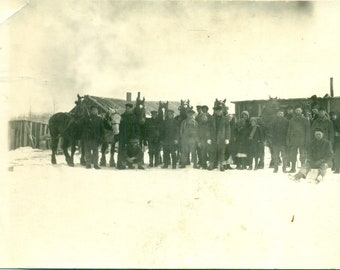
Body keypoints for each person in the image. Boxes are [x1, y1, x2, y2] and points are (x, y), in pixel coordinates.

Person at [286, 105, 310, 173]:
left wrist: (307, 141)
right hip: (294, 140)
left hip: (302, 140)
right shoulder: (292, 120)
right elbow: (289, 131)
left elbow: (308, 132)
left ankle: (302, 170)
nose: (298, 111)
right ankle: (293, 168)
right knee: (293, 155)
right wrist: (288, 139)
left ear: (301, 111)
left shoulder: (305, 120)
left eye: (299, 110)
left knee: (303, 155)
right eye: (296, 110)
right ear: (295, 111)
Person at [207, 103, 231, 171]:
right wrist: (208, 138)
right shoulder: (211, 119)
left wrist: (227, 138)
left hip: (222, 138)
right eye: (217, 110)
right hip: (213, 138)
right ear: (215, 111)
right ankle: (211, 164)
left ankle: (221, 166)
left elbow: (228, 129)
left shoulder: (225, 119)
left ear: (222, 111)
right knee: (212, 151)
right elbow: (208, 129)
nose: (218, 112)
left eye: (219, 110)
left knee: (222, 152)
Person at [117, 103, 141, 169]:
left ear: (132, 109)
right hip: (122, 136)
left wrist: (136, 135)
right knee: (121, 150)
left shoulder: (134, 117)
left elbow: (137, 127)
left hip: (131, 136)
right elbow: (118, 126)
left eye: (129, 108)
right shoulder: (122, 116)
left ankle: (130, 164)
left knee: (130, 150)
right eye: (127, 108)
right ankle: (120, 164)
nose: (128, 109)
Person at [270, 108, 289, 173]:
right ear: (277, 114)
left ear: (283, 114)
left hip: (283, 142)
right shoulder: (274, 122)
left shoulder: (286, 121)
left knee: (284, 156)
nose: (280, 114)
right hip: (275, 142)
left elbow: (288, 132)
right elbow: (271, 131)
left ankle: (284, 169)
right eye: (279, 113)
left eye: (281, 113)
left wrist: (287, 140)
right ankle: (275, 169)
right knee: (275, 157)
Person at [196, 105, 211, 169]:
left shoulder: (209, 125)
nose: (204, 118)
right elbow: (197, 134)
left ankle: (211, 164)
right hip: (202, 140)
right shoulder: (199, 126)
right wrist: (198, 141)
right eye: (203, 117)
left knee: (210, 152)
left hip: (209, 140)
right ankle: (203, 164)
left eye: (205, 117)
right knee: (203, 152)